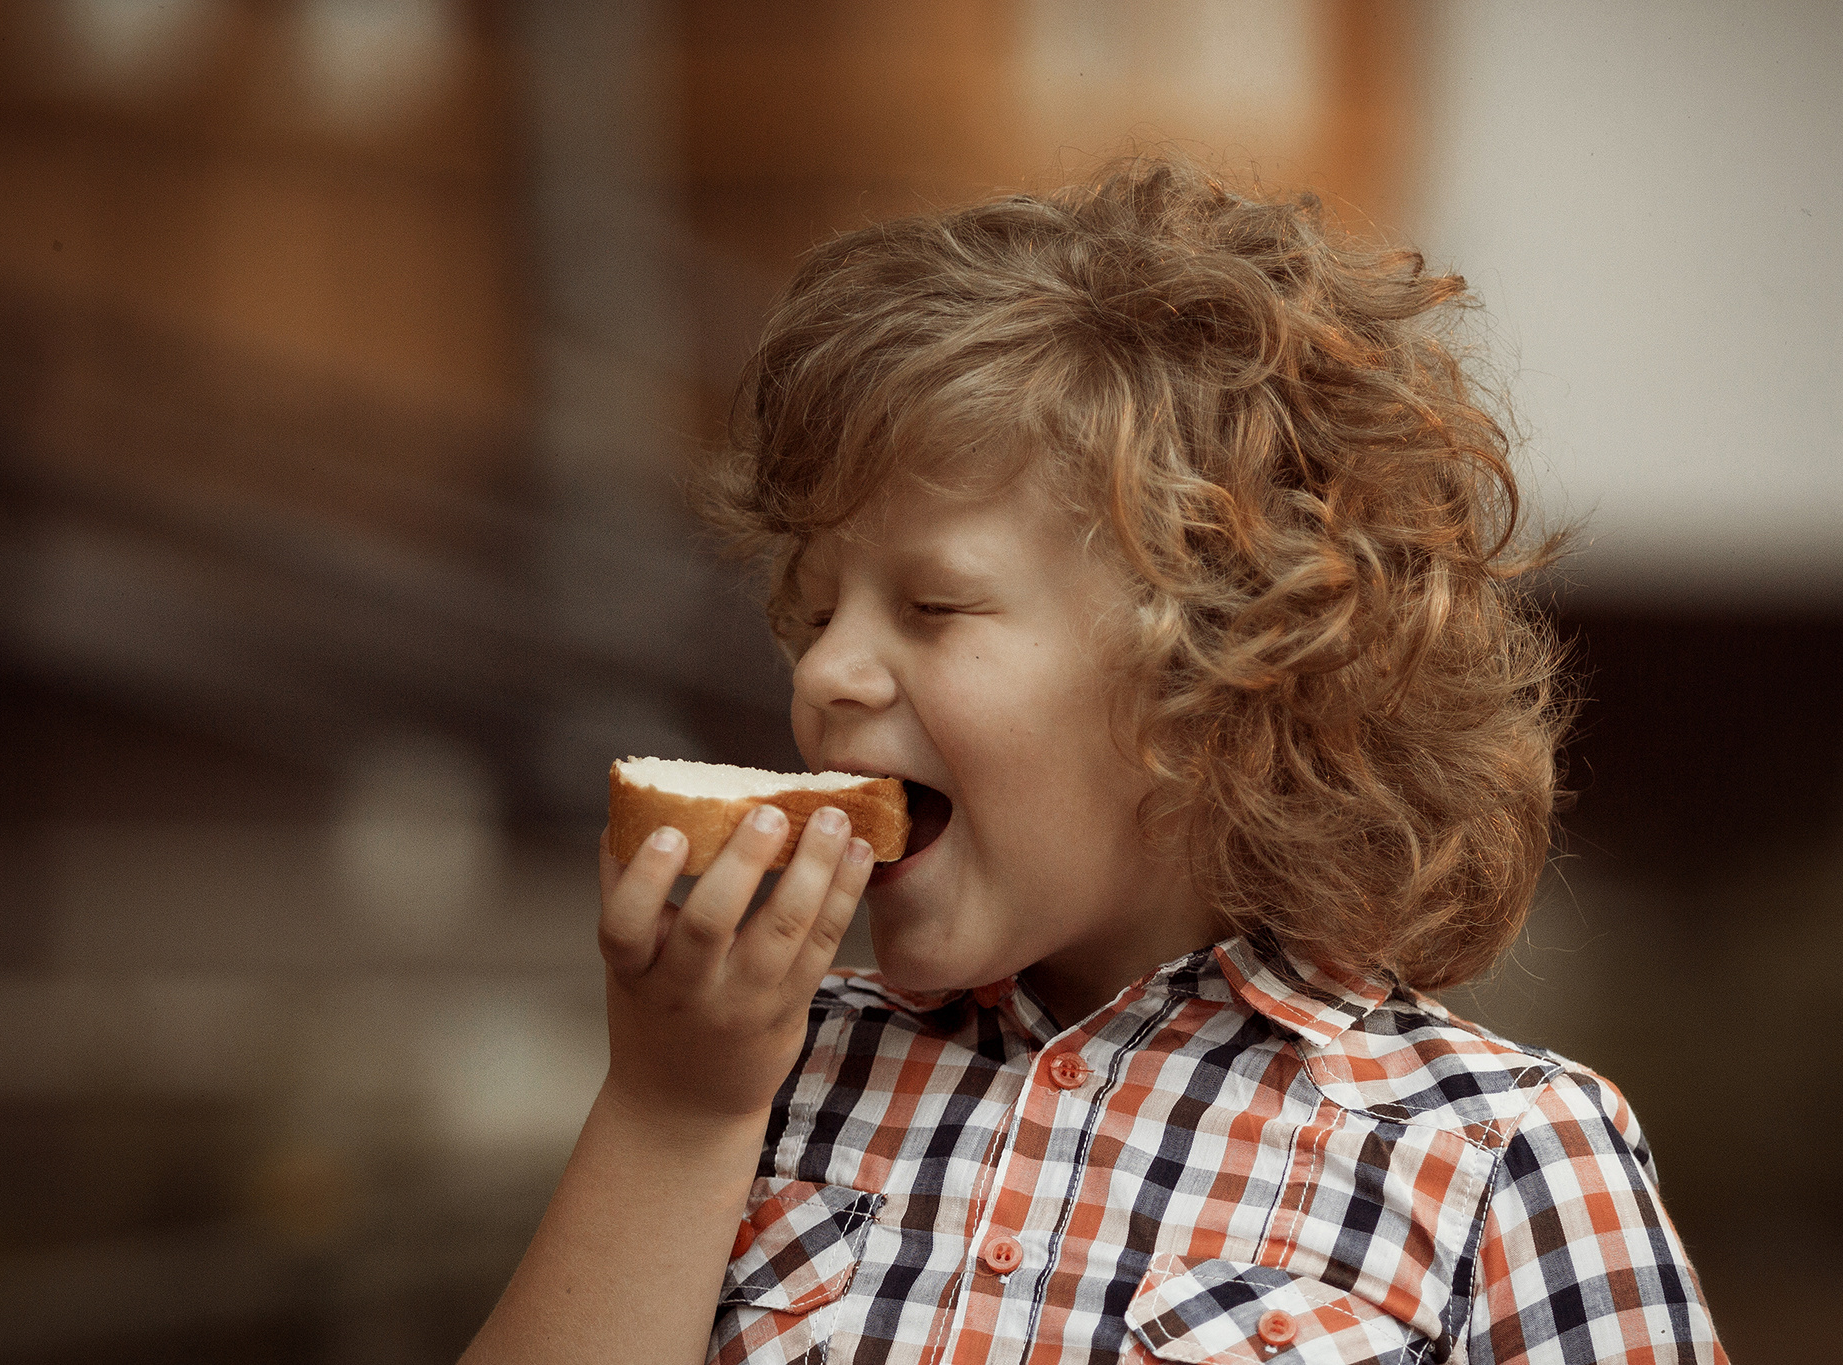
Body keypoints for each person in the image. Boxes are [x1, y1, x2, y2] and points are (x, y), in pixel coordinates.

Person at [463, 156, 1725, 1364]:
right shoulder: (760, 1077)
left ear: (1214, 672)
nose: (820, 674)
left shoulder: (1500, 1161)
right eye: (810, 611)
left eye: (932, 607)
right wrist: (674, 1113)